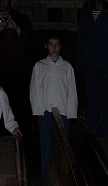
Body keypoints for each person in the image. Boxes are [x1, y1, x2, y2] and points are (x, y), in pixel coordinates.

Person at [0, 0, 34, 137]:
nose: (2, 2)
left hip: (19, 79)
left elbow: (32, 48)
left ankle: (21, 154)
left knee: (19, 117)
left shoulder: (21, 19)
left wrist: (17, 29)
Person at [75, 0, 108, 138]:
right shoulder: (85, 17)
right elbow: (81, 41)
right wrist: (80, 62)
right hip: (91, 72)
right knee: (93, 110)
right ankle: (95, 146)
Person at [30, 34, 78, 173]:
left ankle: (63, 173)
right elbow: (34, 89)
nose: (54, 47)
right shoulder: (39, 66)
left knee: (63, 145)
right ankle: (46, 174)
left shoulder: (67, 67)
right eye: (51, 44)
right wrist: (37, 111)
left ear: (61, 47)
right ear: (46, 46)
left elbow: (72, 90)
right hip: (45, 111)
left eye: (57, 44)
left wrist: (71, 112)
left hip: (63, 111)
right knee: (46, 144)